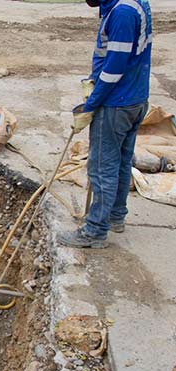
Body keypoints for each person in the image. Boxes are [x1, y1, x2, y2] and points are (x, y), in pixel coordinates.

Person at [59, 0, 152, 249]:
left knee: (102, 168)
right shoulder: (133, 4)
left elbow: (115, 67)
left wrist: (92, 103)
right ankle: (115, 216)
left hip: (116, 103)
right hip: (134, 98)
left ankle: (94, 232)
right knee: (122, 162)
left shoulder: (121, 12)